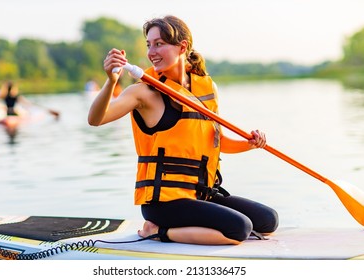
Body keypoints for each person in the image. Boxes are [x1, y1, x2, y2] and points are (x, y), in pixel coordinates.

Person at [88, 15, 278, 245]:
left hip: (200, 194)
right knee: (239, 229)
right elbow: (96, 119)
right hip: (163, 203)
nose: (151, 51)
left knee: (268, 221)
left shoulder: (206, 88)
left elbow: (217, 143)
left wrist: (250, 144)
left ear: (182, 47)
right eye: (149, 44)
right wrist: (111, 80)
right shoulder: (143, 92)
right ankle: (157, 231)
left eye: (159, 44)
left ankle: (181, 225)